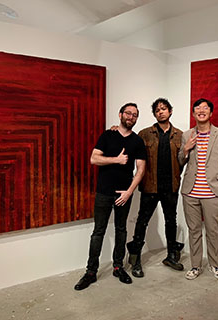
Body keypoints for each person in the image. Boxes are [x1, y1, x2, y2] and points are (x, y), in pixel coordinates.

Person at [74, 103, 146, 291]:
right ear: (121, 114)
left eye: (135, 115)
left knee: (121, 230)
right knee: (98, 231)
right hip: (103, 192)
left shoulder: (137, 142)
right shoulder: (107, 135)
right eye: (128, 113)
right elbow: (93, 158)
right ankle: (91, 271)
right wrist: (116, 159)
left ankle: (118, 267)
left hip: (124, 193)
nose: (131, 117)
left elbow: (140, 170)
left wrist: (129, 191)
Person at [125, 98, 185, 278]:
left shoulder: (181, 135)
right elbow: (127, 140)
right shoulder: (144, 134)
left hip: (171, 187)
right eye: (157, 110)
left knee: (171, 221)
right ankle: (135, 259)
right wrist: (114, 129)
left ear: (170, 111)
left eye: (164, 109)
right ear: (154, 114)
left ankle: (172, 256)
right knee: (142, 222)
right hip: (150, 187)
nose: (160, 112)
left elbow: (183, 160)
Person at [178, 98, 218, 280]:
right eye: (197, 108)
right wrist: (185, 149)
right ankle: (195, 266)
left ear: (211, 113)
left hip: (212, 192)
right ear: (193, 114)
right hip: (190, 192)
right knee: (194, 231)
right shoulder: (187, 135)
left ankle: (215, 265)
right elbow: (180, 161)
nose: (201, 111)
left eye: (205, 108)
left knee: (212, 230)